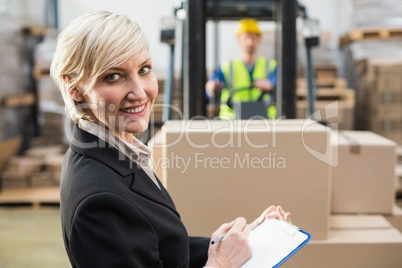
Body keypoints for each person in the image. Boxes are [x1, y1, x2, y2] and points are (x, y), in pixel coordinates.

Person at [50, 11, 291, 268]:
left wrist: (237, 243)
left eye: (144, 70)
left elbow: (159, 246)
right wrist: (221, 264)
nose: (140, 92)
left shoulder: (120, 152)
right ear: (73, 87)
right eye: (113, 76)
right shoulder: (99, 202)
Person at [206, 18, 277, 120]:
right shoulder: (226, 67)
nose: (250, 43)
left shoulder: (271, 66)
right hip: (231, 123)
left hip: (265, 123)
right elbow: (211, 89)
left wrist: (271, 86)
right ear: (239, 40)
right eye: (246, 38)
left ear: (259, 40)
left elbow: (281, 87)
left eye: (253, 38)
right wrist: (211, 88)